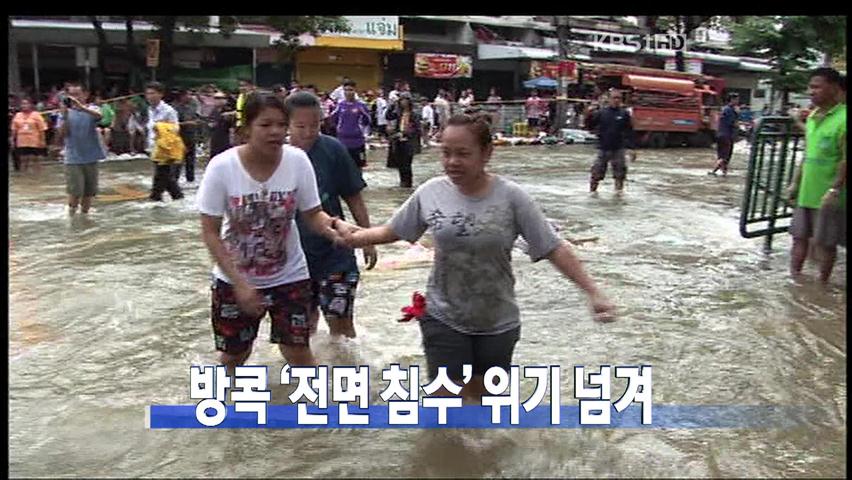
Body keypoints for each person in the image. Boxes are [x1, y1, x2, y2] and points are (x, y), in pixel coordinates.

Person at [333, 113, 616, 400]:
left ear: (486, 153)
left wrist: (593, 292)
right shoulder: (431, 192)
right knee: (445, 404)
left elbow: (553, 247)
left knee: (482, 410)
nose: (452, 162)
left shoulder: (511, 197)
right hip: (443, 313)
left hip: (497, 319)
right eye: (446, 153)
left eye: (463, 154)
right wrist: (353, 237)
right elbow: (393, 231)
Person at [196, 92, 349, 369]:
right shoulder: (222, 167)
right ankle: (217, 408)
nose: (276, 132)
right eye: (265, 125)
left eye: (281, 124)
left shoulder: (297, 161)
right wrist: (240, 284)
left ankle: (315, 409)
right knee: (234, 357)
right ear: (245, 130)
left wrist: (338, 229)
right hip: (234, 279)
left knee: (298, 353)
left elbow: (313, 215)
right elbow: (210, 232)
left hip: (290, 275)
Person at [285, 91, 378, 338]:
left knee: (341, 322)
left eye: (314, 125)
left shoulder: (332, 149)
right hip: (293, 257)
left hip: (335, 251)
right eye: (300, 126)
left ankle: (347, 370)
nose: (307, 133)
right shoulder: (276, 155)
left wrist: (367, 239)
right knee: (303, 328)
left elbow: (353, 195)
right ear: (287, 124)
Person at [786, 67, 846, 283]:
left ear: (834, 88)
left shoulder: (844, 118)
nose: (811, 91)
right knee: (798, 237)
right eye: (810, 87)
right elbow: (808, 154)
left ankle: (822, 285)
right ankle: (795, 282)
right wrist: (794, 183)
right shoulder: (812, 118)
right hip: (806, 192)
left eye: (817, 87)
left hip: (829, 195)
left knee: (825, 243)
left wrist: (835, 189)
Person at [60, 82, 105, 215]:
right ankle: (71, 217)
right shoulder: (65, 112)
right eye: (71, 95)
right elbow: (63, 134)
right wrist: (65, 117)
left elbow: (100, 117)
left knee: (89, 192)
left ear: (85, 95)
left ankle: (84, 217)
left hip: (91, 157)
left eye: (77, 95)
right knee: (75, 192)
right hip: (73, 158)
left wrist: (81, 108)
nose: (74, 98)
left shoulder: (93, 108)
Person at [586, 89, 635, 193]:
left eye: (619, 98)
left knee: (620, 174)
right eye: (614, 98)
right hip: (603, 148)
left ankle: (618, 194)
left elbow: (629, 131)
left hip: (619, 148)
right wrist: (589, 115)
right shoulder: (601, 113)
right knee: (596, 173)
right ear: (609, 99)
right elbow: (589, 126)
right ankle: (592, 193)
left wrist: (631, 148)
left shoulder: (624, 113)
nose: (616, 100)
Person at [144, 82, 183, 201]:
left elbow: (175, 128)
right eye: (148, 94)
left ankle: (155, 199)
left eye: (153, 93)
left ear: (161, 94)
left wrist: (161, 127)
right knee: (165, 177)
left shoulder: (168, 110)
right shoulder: (150, 109)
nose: (150, 96)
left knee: (160, 176)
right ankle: (178, 199)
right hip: (154, 147)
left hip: (166, 149)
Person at [330, 80, 372, 169]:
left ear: (355, 91)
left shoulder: (360, 105)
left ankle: (358, 182)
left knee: (358, 166)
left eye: (351, 90)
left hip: (358, 141)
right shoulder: (340, 105)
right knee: (343, 166)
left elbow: (367, 121)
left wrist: (364, 115)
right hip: (343, 140)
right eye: (346, 90)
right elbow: (333, 119)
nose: (348, 92)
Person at [386, 95, 421, 188]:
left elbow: (417, 129)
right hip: (398, 142)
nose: (403, 102)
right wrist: (392, 105)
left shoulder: (414, 114)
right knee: (400, 164)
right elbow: (388, 116)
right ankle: (403, 183)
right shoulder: (398, 114)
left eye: (405, 100)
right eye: (401, 100)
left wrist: (406, 133)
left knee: (407, 164)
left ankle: (408, 184)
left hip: (409, 142)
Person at [11, 98, 48, 174]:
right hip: (21, 141)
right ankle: (24, 177)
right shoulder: (18, 115)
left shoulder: (36, 115)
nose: (24, 106)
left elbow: (42, 129)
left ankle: (37, 176)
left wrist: (42, 141)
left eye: (26, 104)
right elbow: (14, 129)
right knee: (23, 160)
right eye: (23, 104)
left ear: (31, 105)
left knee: (35, 159)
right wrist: (12, 140)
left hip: (34, 141)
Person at [173, 88, 202, 183]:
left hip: (191, 135)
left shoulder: (193, 104)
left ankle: (190, 178)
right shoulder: (174, 107)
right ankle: (174, 178)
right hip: (179, 136)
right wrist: (187, 123)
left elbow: (197, 116)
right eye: (188, 94)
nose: (190, 97)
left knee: (191, 158)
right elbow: (172, 123)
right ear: (182, 96)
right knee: (178, 159)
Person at [709, 94, 740, 176]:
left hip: (720, 134)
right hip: (727, 135)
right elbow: (733, 123)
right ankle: (714, 171)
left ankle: (723, 173)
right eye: (736, 100)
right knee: (725, 156)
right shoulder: (730, 110)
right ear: (732, 100)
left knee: (722, 155)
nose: (737, 101)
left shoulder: (725, 109)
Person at [208, 91, 235, 158]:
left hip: (226, 139)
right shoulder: (213, 111)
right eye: (216, 98)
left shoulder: (229, 110)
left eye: (221, 98)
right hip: (215, 138)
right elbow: (210, 123)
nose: (219, 100)